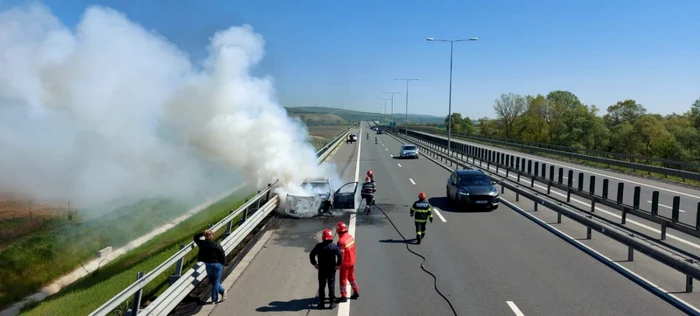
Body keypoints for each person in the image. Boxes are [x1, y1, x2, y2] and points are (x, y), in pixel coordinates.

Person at [310, 229, 342, 309]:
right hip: (331, 269)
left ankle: (322, 303)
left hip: (322, 269)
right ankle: (332, 303)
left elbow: (312, 255)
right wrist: (338, 265)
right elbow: (340, 255)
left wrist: (314, 263)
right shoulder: (333, 246)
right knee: (331, 286)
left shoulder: (318, 246)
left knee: (321, 286)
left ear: (323, 237)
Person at [194, 230, 227, 303]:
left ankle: (222, 292)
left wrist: (202, 233)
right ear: (211, 236)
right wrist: (223, 264)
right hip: (217, 264)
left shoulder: (202, 243)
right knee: (215, 282)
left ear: (205, 236)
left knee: (213, 281)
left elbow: (195, 237)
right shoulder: (216, 244)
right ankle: (215, 299)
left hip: (208, 264)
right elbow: (222, 254)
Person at [336, 222, 359, 302]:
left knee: (343, 280)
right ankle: (356, 291)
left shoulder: (341, 242)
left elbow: (341, 255)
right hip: (352, 261)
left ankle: (343, 296)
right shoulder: (350, 237)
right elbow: (354, 249)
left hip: (345, 264)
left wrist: (338, 265)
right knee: (351, 277)